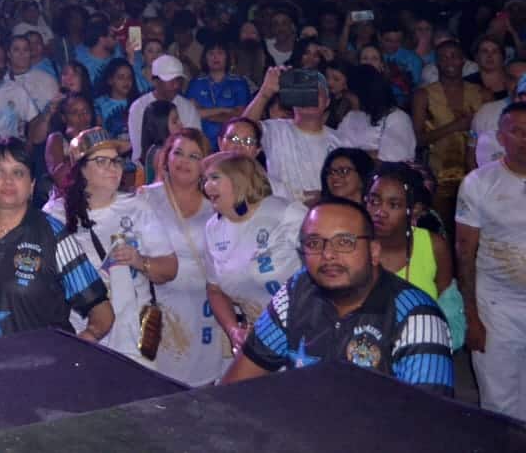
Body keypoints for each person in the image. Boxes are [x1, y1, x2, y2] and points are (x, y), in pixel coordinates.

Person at [222, 198, 453, 395]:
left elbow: (428, 425)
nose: (328, 255)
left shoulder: (417, 318)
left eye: (344, 242)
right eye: (314, 243)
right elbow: (239, 380)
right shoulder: (297, 292)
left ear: (373, 251)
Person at [0, 137, 113, 346]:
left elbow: (102, 311)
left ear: (32, 185)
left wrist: (82, 342)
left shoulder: (52, 235)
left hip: (44, 373)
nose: (8, 181)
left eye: (18, 172)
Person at [44, 128, 174, 365]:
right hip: (85, 333)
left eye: (116, 161)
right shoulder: (56, 214)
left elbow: (170, 268)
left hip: (134, 335)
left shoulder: (137, 207)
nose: (113, 168)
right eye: (101, 161)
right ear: (81, 169)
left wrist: (139, 261)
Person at [136, 128, 227, 385]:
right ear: (166, 158)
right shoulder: (145, 198)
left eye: (194, 156)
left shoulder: (216, 205)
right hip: (160, 304)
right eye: (178, 153)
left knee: (203, 384)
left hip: (206, 308)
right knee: (160, 381)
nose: (184, 161)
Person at [456, 101, 526, 421]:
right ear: (500, 136)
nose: (525, 139)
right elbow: (465, 253)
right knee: (500, 403)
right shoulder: (479, 183)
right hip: (496, 304)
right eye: (516, 131)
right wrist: (472, 316)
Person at [201, 151, 306, 356]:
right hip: (258, 339)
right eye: (204, 180)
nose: (206, 187)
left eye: (214, 178)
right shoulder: (213, 228)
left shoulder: (286, 213)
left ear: (239, 179)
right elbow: (214, 290)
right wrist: (233, 331)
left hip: (305, 335)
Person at [413, 39, 491, 225]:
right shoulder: (423, 95)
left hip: (476, 173)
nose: (450, 62)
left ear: (463, 61)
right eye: (444, 58)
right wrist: (455, 126)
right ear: (436, 63)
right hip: (438, 176)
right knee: (441, 228)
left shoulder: (482, 93)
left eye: (454, 57)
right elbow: (417, 140)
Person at [239, 67, 337, 204]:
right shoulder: (275, 129)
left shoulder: (341, 141)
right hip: (281, 216)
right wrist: (265, 93)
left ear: (327, 101)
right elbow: (239, 132)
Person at [367, 164, 453, 310]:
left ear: (414, 210)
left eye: (393, 205)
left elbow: (448, 308)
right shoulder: (353, 244)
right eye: (374, 201)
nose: (380, 212)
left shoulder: (434, 246)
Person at [335, 65, 416, 162]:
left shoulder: (397, 119)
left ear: (364, 94)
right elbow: (337, 150)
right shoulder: (352, 116)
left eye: (350, 94)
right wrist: (370, 153)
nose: (347, 99)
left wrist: (353, 155)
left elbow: (393, 159)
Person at [127, 55, 198, 164]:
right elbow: (139, 150)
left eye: (178, 80)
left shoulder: (187, 107)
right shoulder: (138, 107)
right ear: (155, 81)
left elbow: (195, 143)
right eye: (170, 81)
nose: (176, 85)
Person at [185, 41, 252, 144]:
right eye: (211, 53)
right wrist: (224, 110)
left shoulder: (239, 83)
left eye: (220, 53)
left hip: (232, 142)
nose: (215, 57)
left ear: (227, 57)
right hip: (200, 142)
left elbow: (241, 115)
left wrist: (205, 113)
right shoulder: (195, 83)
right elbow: (190, 113)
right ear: (205, 58)